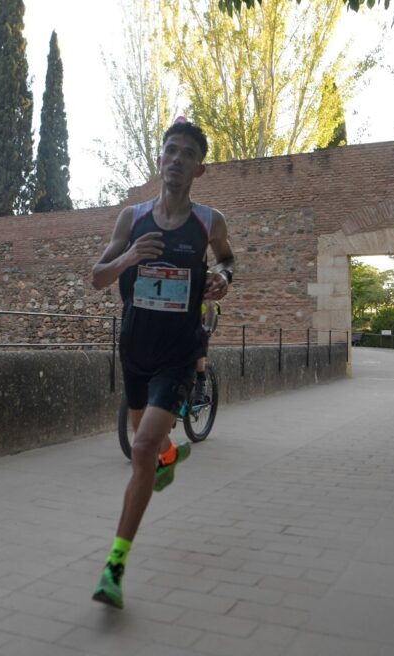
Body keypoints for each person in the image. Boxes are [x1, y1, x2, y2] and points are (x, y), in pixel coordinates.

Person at [88, 117, 234, 609]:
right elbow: (97, 277)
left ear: (199, 167)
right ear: (160, 158)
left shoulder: (209, 222)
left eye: (186, 153)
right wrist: (129, 257)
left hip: (178, 352)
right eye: (170, 150)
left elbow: (228, 261)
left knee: (142, 445)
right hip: (135, 349)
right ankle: (169, 458)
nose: (176, 159)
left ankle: (114, 565)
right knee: (146, 444)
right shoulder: (132, 218)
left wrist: (223, 279)